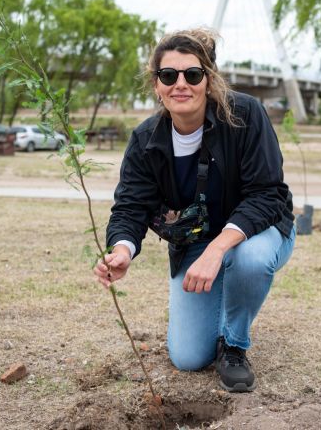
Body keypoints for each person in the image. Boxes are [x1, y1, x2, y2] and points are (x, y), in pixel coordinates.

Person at [93, 28, 295, 393]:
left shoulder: (246, 114)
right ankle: (216, 323)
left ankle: (234, 345)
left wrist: (219, 249)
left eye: (193, 74)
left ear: (209, 80)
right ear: (156, 84)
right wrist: (121, 249)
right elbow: (130, 206)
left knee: (248, 259)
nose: (180, 84)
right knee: (187, 357)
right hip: (197, 240)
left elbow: (268, 194)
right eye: (168, 76)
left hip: (257, 230)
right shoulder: (144, 140)